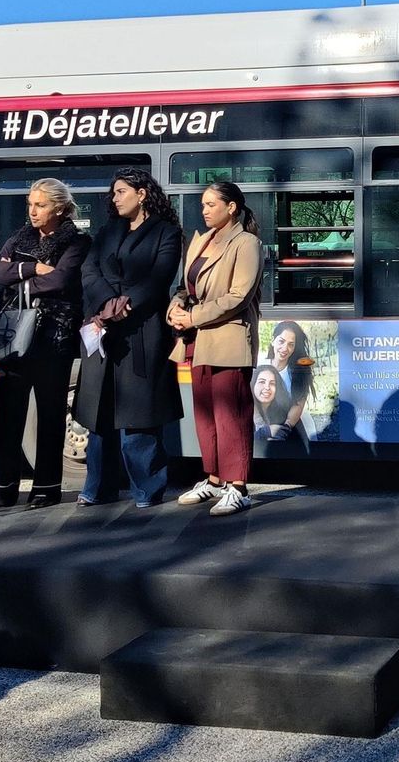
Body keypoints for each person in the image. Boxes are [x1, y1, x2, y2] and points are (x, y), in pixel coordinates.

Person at [74, 168, 184, 508]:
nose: (115, 198)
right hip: (104, 328)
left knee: (140, 416)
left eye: (121, 191)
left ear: (142, 194)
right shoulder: (108, 231)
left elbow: (159, 279)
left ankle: (146, 489)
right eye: (114, 192)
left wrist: (124, 305)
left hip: (142, 332)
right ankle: (98, 486)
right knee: (99, 414)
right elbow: (88, 270)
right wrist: (108, 303)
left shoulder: (167, 233)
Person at [0, 178, 93, 510]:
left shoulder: (77, 241)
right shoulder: (20, 237)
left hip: (53, 337)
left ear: (59, 208)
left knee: (49, 414)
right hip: (14, 334)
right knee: (6, 414)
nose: (32, 211)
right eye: (30, 204)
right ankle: (2, 489)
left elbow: (61, 279)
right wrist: (31, 268)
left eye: (40, 205)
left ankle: (46, 488)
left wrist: (17, 278)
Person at [168, 181, 263, 517]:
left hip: (228, 340)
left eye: (211, 204)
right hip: (198, 339)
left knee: (230, 415)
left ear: (231, 207)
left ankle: (238, 487)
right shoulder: (202, 241)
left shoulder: (247, 243)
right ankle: (213, 479)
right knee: (205, 414)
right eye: (203, 205)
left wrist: (192, 316)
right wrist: (176, 308)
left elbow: (238, 297)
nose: (204, 210)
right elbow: (186, 288)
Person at [263, 320, 315, 438]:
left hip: (291, 427)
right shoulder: (258, 367)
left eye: (291, 344)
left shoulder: (299, 373)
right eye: (281, 341)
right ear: (273, 341)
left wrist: (284, 430)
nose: (285, 348)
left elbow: (298, 404)